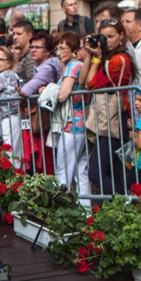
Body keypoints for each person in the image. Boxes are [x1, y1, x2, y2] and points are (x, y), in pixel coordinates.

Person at [82, 19, 137, 195]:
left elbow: (90, 84)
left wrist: (98, 57)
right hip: (108, 117)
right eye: (103, 37)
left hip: (113, 118)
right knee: (114, 172)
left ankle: (127, 206)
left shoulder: (118, 60)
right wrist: (93, 54)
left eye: (111, 36)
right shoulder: (107, 58)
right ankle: (125, 212)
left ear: (122, 36)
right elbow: (83, 80)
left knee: (97, 173)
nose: (107, 41)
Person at [49, 31, 90, 200]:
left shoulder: (73, 66)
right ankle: (86, 212)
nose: (58, 52)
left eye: (62, 48)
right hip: (82, 124)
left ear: (73, 49)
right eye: (57, 48)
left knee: (63, 171)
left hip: (71, 124)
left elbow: (62, 95)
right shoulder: (78, 65)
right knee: (81, 171)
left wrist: (50, 90)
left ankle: (62, 211)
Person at [19, 31, 60, 174]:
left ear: (48, 51)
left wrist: (20, 89)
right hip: (45, 118)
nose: (33, 50)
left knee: (48, 161)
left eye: (38, 47)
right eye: (31, 47)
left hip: (50, 118)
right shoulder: (41, 66)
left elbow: (25, 91)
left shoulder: (48, 67)